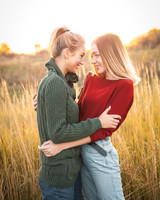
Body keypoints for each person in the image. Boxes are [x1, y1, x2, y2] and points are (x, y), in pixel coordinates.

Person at [36, 33, 140, 200]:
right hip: (79, 154)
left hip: (99, 153)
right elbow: (77, 113)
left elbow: (103, 131)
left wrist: (62, 146)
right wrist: (45, 103)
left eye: (96, 55)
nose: (92, 61)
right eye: (92, 55)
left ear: (110, 54)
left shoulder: (125, 86)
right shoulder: (91, 79)